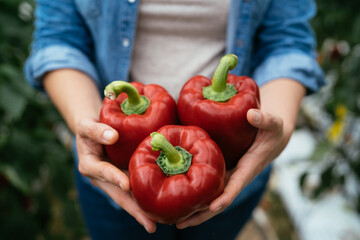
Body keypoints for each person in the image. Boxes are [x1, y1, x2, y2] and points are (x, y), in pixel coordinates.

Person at [25, 0, 325, 239]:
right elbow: (58, 40)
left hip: (233, 175)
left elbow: (287, 41)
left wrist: (276, 130)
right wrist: (87, 123)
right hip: (115, 179)